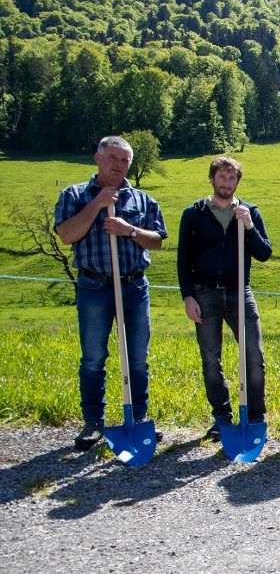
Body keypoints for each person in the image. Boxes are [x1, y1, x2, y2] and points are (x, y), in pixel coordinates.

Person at [54, 136, 168, 450]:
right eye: (113, 158)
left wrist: (128, 230)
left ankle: (138, 418)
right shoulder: (74, 195)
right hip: (94, 287)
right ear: (97, 158)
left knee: (137, 359)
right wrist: (98, 204)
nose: (118, 165)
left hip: (134, 286)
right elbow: (66, 235)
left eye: (124, 161)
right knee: (93, 357)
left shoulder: (142, 200)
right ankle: (93, 423)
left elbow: (157, 240)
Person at [176, 156, 272, 442]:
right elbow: (183, 260)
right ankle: (222, 416)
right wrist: (188, 296)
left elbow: (264, 253)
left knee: (253, 355)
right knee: (210, 357)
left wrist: (249, 227)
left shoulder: (249, 212)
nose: (226, 183)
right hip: (204, 292)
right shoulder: (194, 214)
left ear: (237, 182)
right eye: (222, 177)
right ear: (212, 179)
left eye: (232, 178)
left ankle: (254, 415)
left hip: (240, 291)